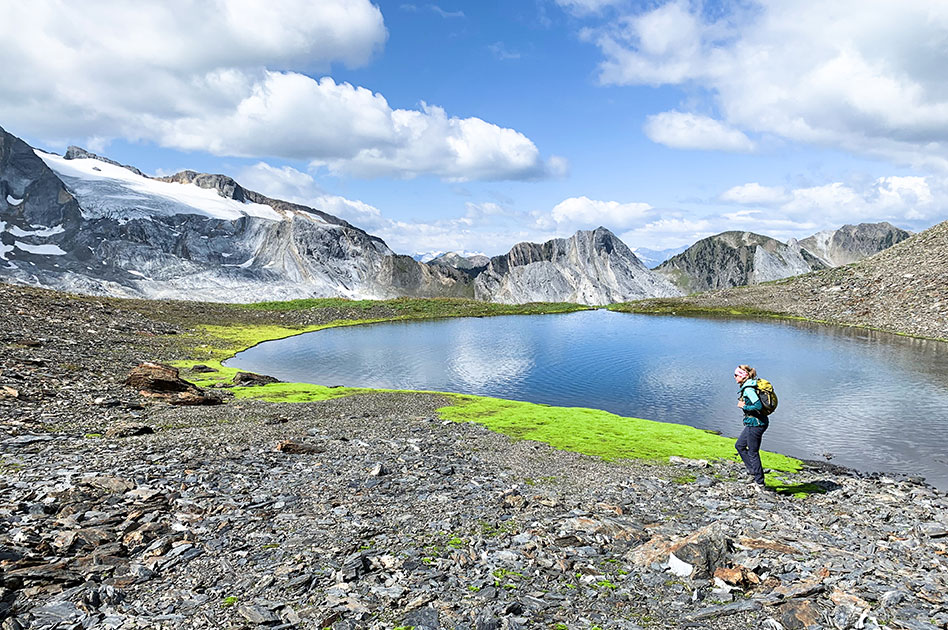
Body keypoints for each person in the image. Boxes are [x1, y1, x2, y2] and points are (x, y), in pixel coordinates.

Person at [734, 364, 770, 491]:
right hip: (753, 422)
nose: (734, 377)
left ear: (743, 376)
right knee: (739, 446)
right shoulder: (749, 385)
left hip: (757, 424)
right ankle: (752, 472)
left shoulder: (749, 389)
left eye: (736, 375)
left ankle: (760, 483)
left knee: (753, 452)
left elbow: (758, 406)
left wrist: (744, 407)